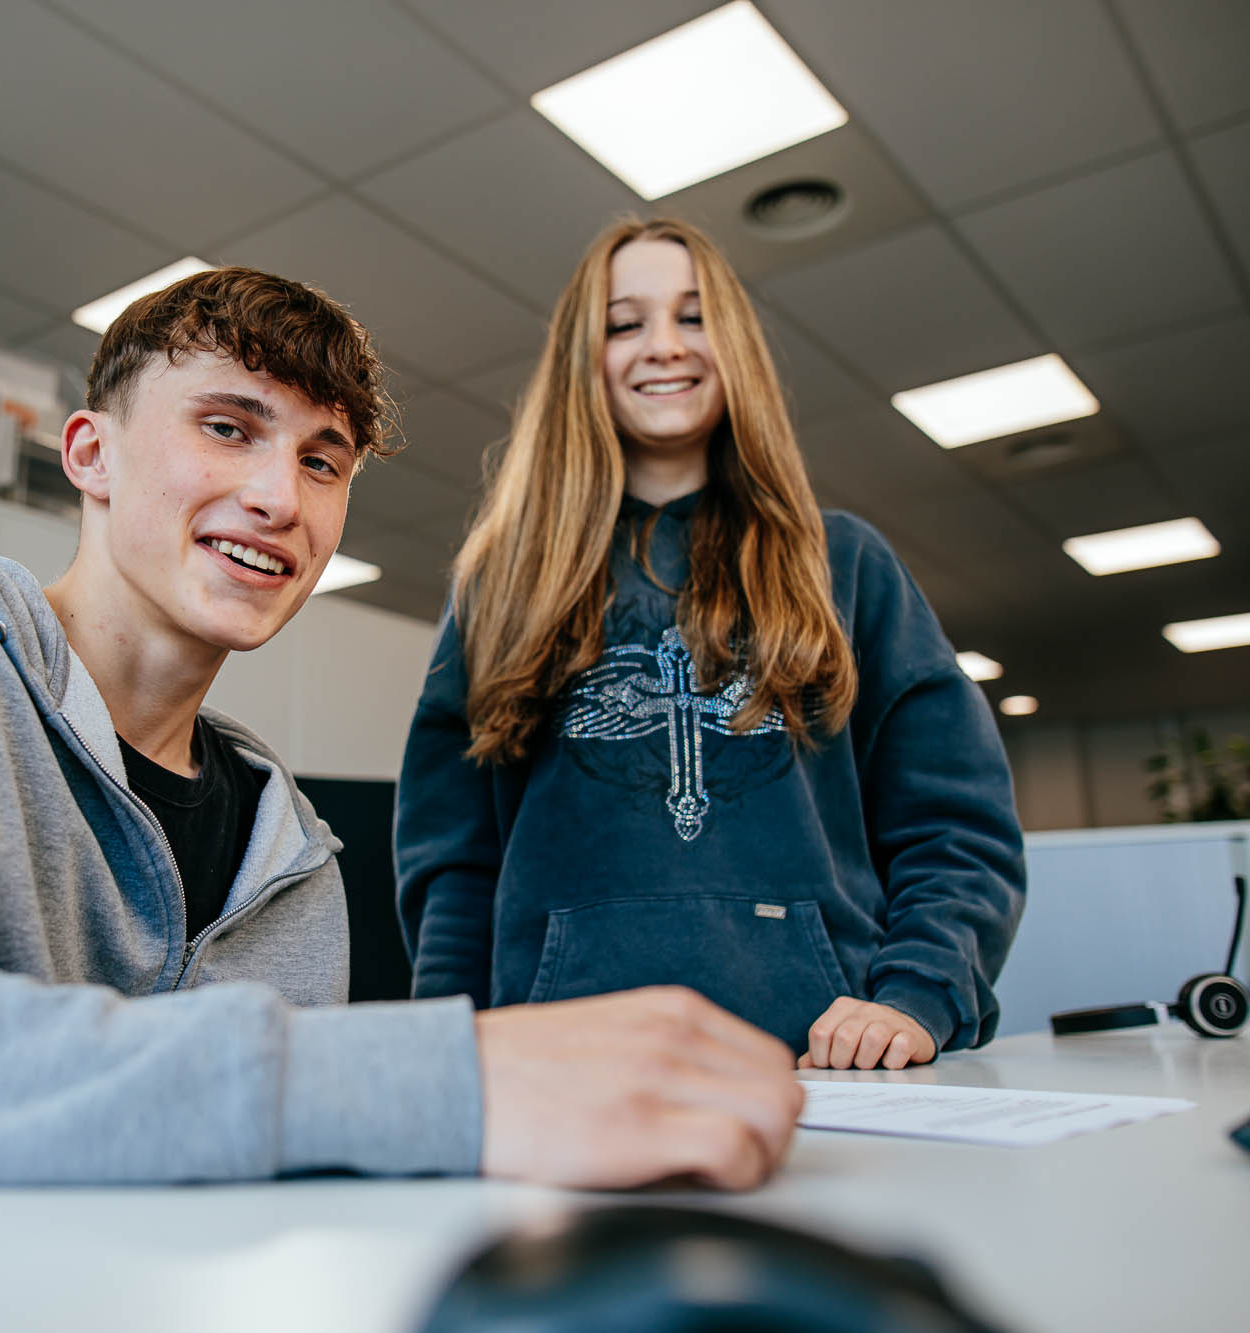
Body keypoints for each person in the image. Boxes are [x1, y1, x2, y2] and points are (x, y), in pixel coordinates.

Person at [0, 265, 803, 1200]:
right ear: (90, 454)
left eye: (319, 461)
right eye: (225, 427)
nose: (278, 499)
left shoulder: (285, 849)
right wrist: (435, 1081)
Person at [395, 219, 1025, 1072]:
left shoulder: (843, 563)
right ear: (586, 357)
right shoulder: (507, 578)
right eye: (626, 323)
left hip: (823, 1070)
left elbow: (956, 823)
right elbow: (454, 857)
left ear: (735, 345)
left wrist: (918, 992)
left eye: (694, 318)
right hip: (559, 1072)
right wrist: (445, 1043)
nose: (664, 347)